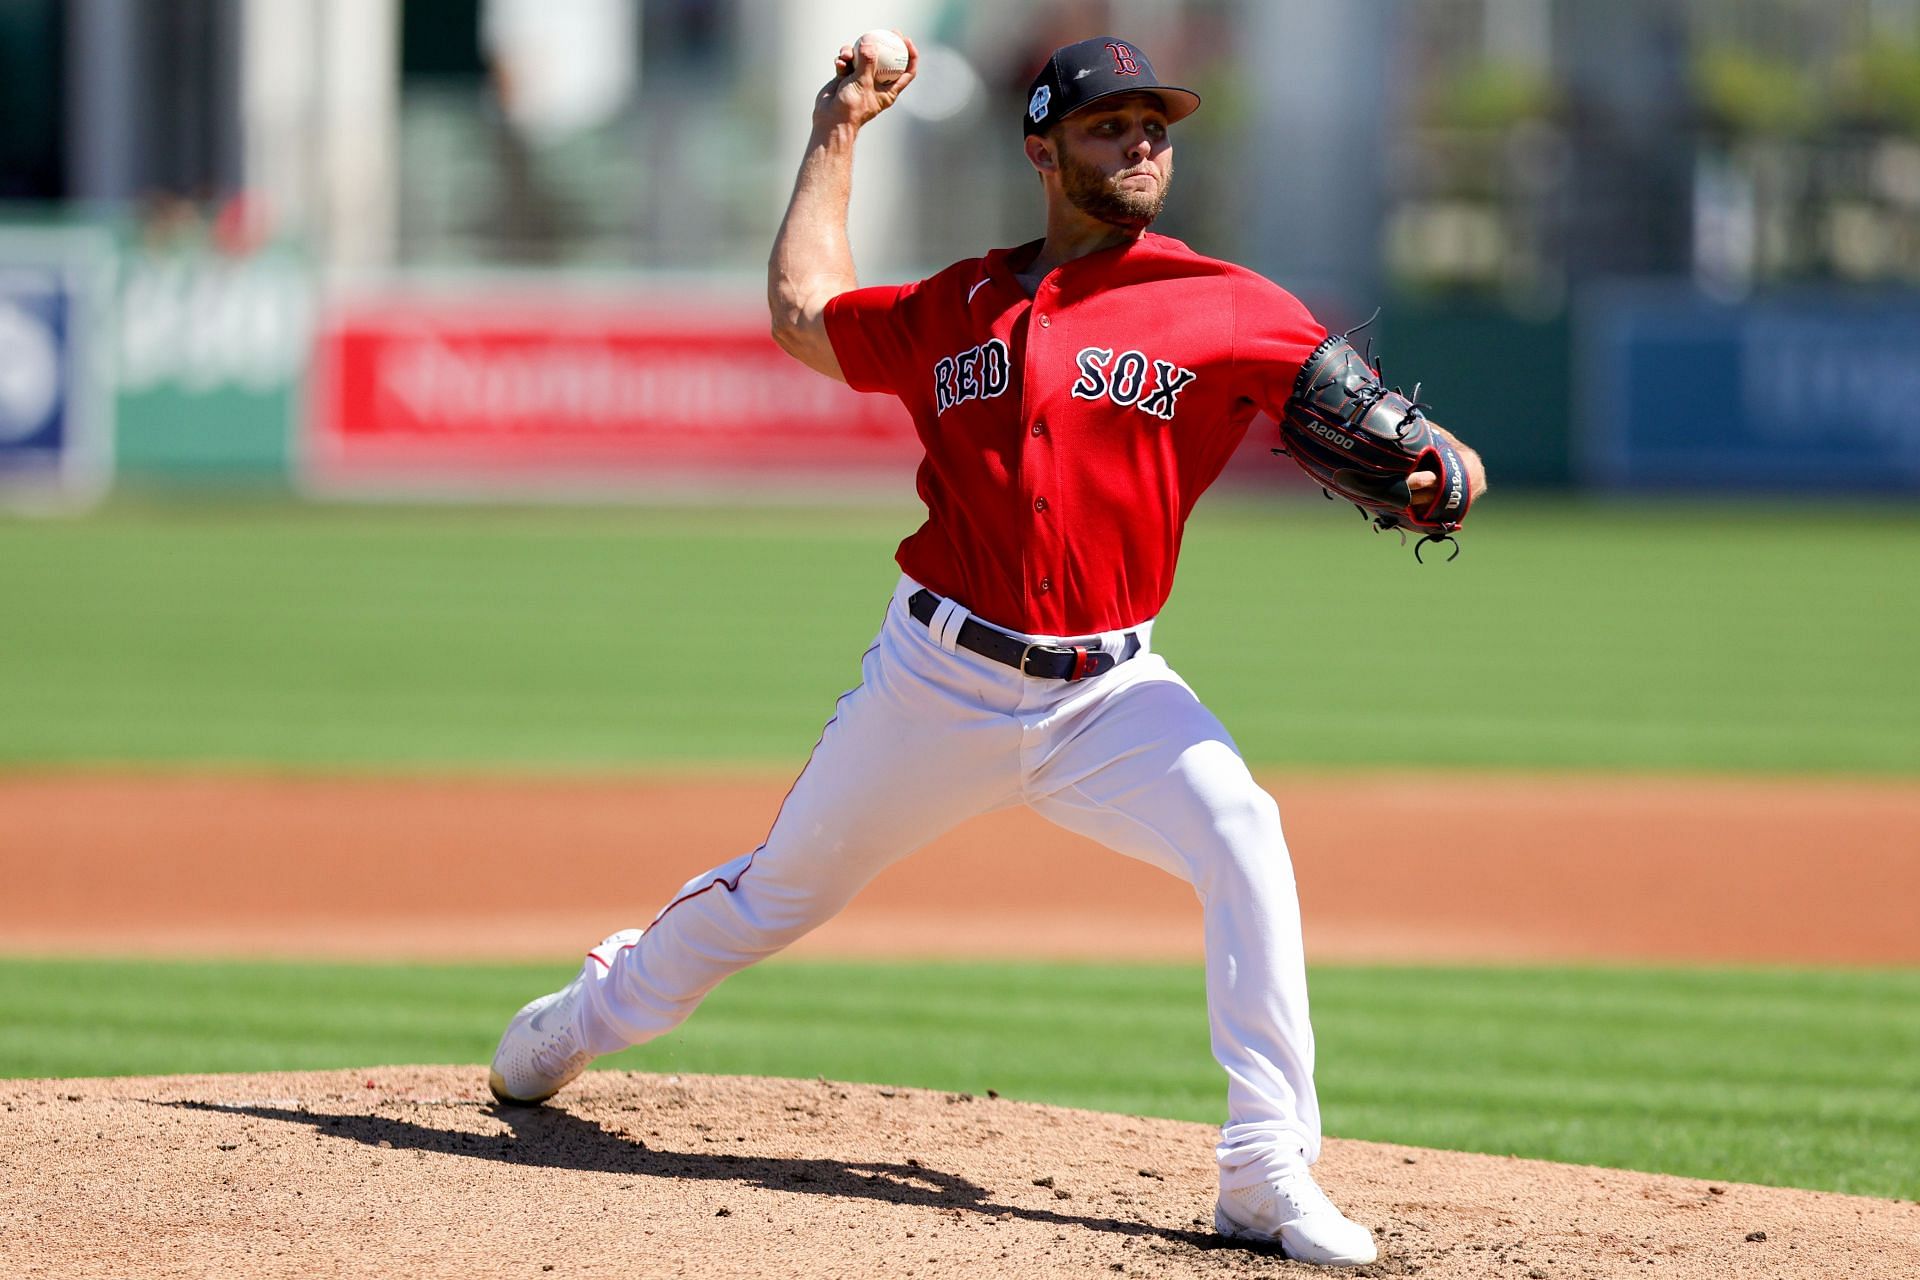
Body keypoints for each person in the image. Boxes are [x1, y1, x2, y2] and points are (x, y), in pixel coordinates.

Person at [488, 32, 1487, 1269]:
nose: (1141, 141)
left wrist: (1447, 460)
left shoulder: (1226, 302)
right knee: (775, 895)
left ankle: (1263, 1168)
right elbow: (804, 314)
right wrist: (838, 130)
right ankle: (589, 1010)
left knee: (1246, 832)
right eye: (1111, 123)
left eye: (1155, 125)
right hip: (936, 681)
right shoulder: (958, 302)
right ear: (1043, 148)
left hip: (1112, 687)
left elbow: (1392, 422)